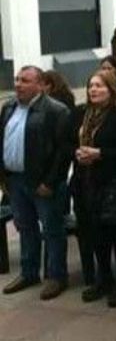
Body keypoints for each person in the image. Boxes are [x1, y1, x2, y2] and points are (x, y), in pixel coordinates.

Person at [69, 70, 116, 307]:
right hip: (85, 183)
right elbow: (67, 142)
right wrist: (77, 153)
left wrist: (99, 154)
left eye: (99, 86)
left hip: (113, 184)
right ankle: (103, 278)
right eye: (91, 86)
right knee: (93, 234)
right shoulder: (81, 113)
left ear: (111, 90)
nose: (93, 90)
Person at [1, 66, 71, 300]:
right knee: (25, 227)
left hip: (43, 183)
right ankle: (29, 272)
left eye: (25, 80)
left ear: (40, 85)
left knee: (52, 229)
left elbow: (63, 152)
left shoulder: (55, 111)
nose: (18, 84)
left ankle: (56, 276)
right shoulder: (9, 107)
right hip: (15, 180)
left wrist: (50, 182)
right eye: (17, 80)